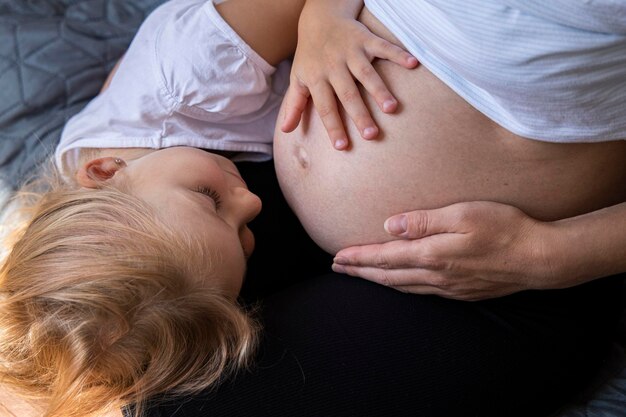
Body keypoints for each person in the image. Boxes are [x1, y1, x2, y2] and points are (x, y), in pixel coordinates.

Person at [143, 0, 626, 416]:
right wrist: (322, 15)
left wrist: (547, 254)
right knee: (124, 327)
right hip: (274, 204)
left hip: (506, 275)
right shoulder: (219, 206)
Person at [0, 0, 418, 416]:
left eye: (210, 199)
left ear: (106, 170)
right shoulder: (131, 200)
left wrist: (321, 23)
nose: (252, 203)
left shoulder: (194, 73)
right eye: (244, 240)